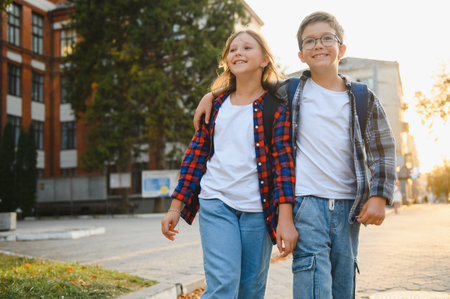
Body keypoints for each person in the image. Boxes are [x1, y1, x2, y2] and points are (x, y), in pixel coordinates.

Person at [193, 11, 396, 299]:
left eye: (328, 38)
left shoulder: (362, 97)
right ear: (300, 54)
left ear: (343, 49)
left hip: (349, 206)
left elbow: (382, 149)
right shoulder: (289, 91)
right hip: (305, 203)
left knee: (343, 281)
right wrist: (212, 95)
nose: (318, 45)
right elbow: (248, 85)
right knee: (311, 277)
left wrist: (379, 195)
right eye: (309, 41)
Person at [161, 29, 298, 299]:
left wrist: (286, 219)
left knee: (250, 289)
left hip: (258, 211)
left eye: (247, 48)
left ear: (265, 60)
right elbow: (194, 158)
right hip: (216, 202)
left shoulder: (276, 108)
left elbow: (284, 165)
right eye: (233, 49)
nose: (239, 52)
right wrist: (175, 207)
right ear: (226, 61)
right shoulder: (215, 106)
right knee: (223, 285)